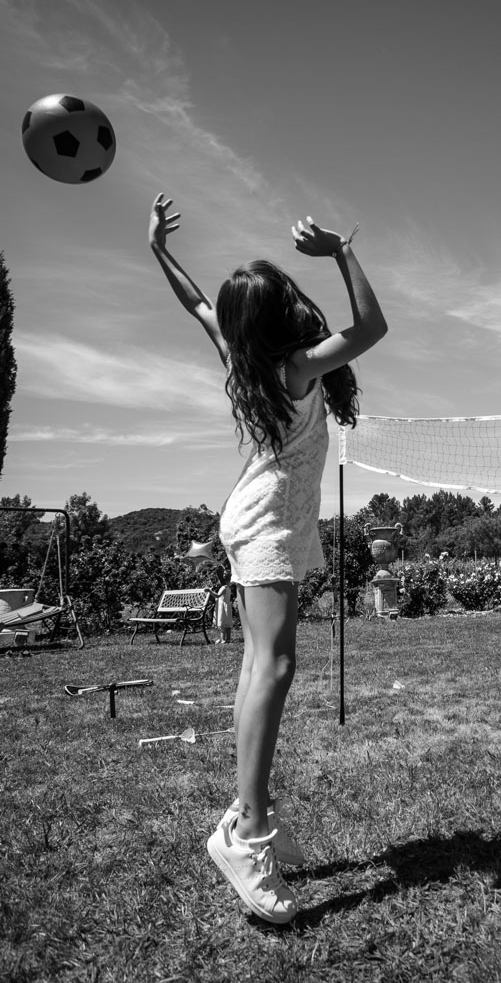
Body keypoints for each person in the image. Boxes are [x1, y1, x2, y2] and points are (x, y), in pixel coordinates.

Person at [149, 192, 387, 924]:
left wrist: (160, 251)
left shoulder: (245, 356)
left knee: (260, 665)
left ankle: (247, 814)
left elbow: (197, 306)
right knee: (274, 667)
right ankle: (246, 834)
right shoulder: (295, 366)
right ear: (281, 315)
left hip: (257, 519)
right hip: (266, 525)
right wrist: (342, 252)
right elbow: (373, 326)